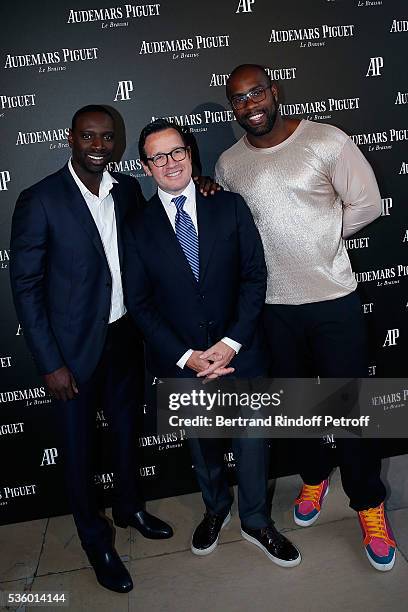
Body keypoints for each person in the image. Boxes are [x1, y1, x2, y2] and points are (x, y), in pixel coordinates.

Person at [215, 64, 396, 572]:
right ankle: (314, 477)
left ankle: (369, 505)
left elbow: (367, 201)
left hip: (332, 298)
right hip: (272, 308)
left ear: (274, 92)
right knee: (297, 408)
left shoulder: (326, 139)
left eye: (256, 94)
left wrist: (323, 235)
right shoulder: (230, 163)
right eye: (238, 100)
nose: (249, 105)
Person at [10, 105, 174, 594]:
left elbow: (156, 233)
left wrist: (200, 189)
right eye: (89, 137)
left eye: (107, 137)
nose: (99, 146)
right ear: (71, 139)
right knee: (79, 451)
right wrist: (50, 362)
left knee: (126, 433)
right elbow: (26, 287)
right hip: (72, 351)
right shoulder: (39, 200)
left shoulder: (127, 190)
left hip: (124, 337)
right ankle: (94, 540)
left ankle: (129, 508)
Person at [123, 118, 301, 568]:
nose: (169, 163)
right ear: (146, 167)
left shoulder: (229, 205)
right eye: (157, 157)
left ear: (190, 153)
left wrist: (231, 342)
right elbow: (140, 304)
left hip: (241, 353)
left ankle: (257, 521)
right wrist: (187, 357)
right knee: (202, 446)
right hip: (182, 363)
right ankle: (216, 508)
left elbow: (253, 276)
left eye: (176, 151)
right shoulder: (137, 226)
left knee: (253, 443)